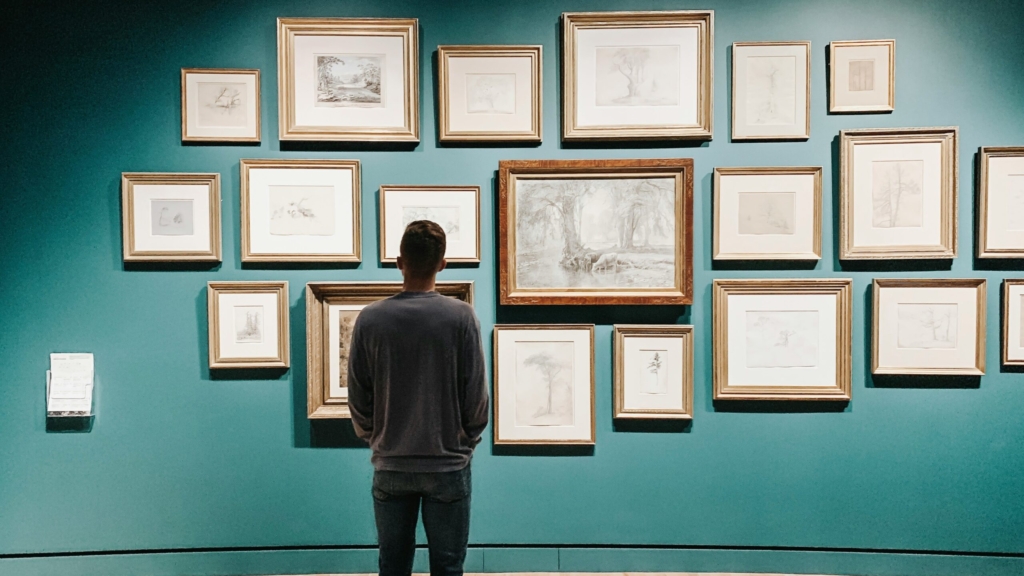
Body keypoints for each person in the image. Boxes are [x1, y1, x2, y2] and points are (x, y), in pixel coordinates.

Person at [347, 220, 489, 576]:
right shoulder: (461, 316)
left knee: (392, 565)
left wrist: (374, 436)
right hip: (448, 464)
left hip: (392, 463)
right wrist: (465, 440)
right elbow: (476, 394)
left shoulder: (371, 319)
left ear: (399, 262)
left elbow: (358, 394)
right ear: (442, 264)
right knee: (448, 565)